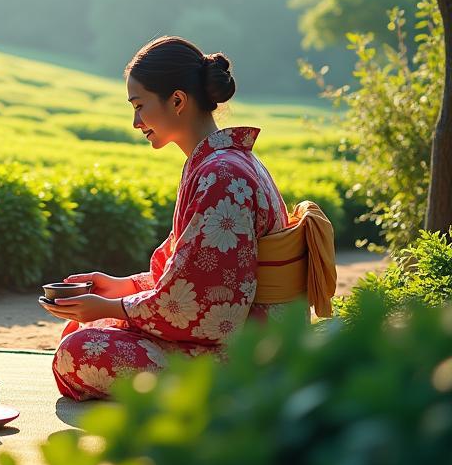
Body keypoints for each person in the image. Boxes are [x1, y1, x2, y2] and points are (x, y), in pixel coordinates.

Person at [45, 36, 336, 401]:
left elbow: (211, 309)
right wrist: (117, 289)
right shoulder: (217, 164)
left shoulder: (222, 176)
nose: (136, 122)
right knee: (79, 326)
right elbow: (187, 271)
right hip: (235, 333)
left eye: (139, 106)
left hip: (249, 355)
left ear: (178, 101)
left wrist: (112, 307)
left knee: (78, 352)